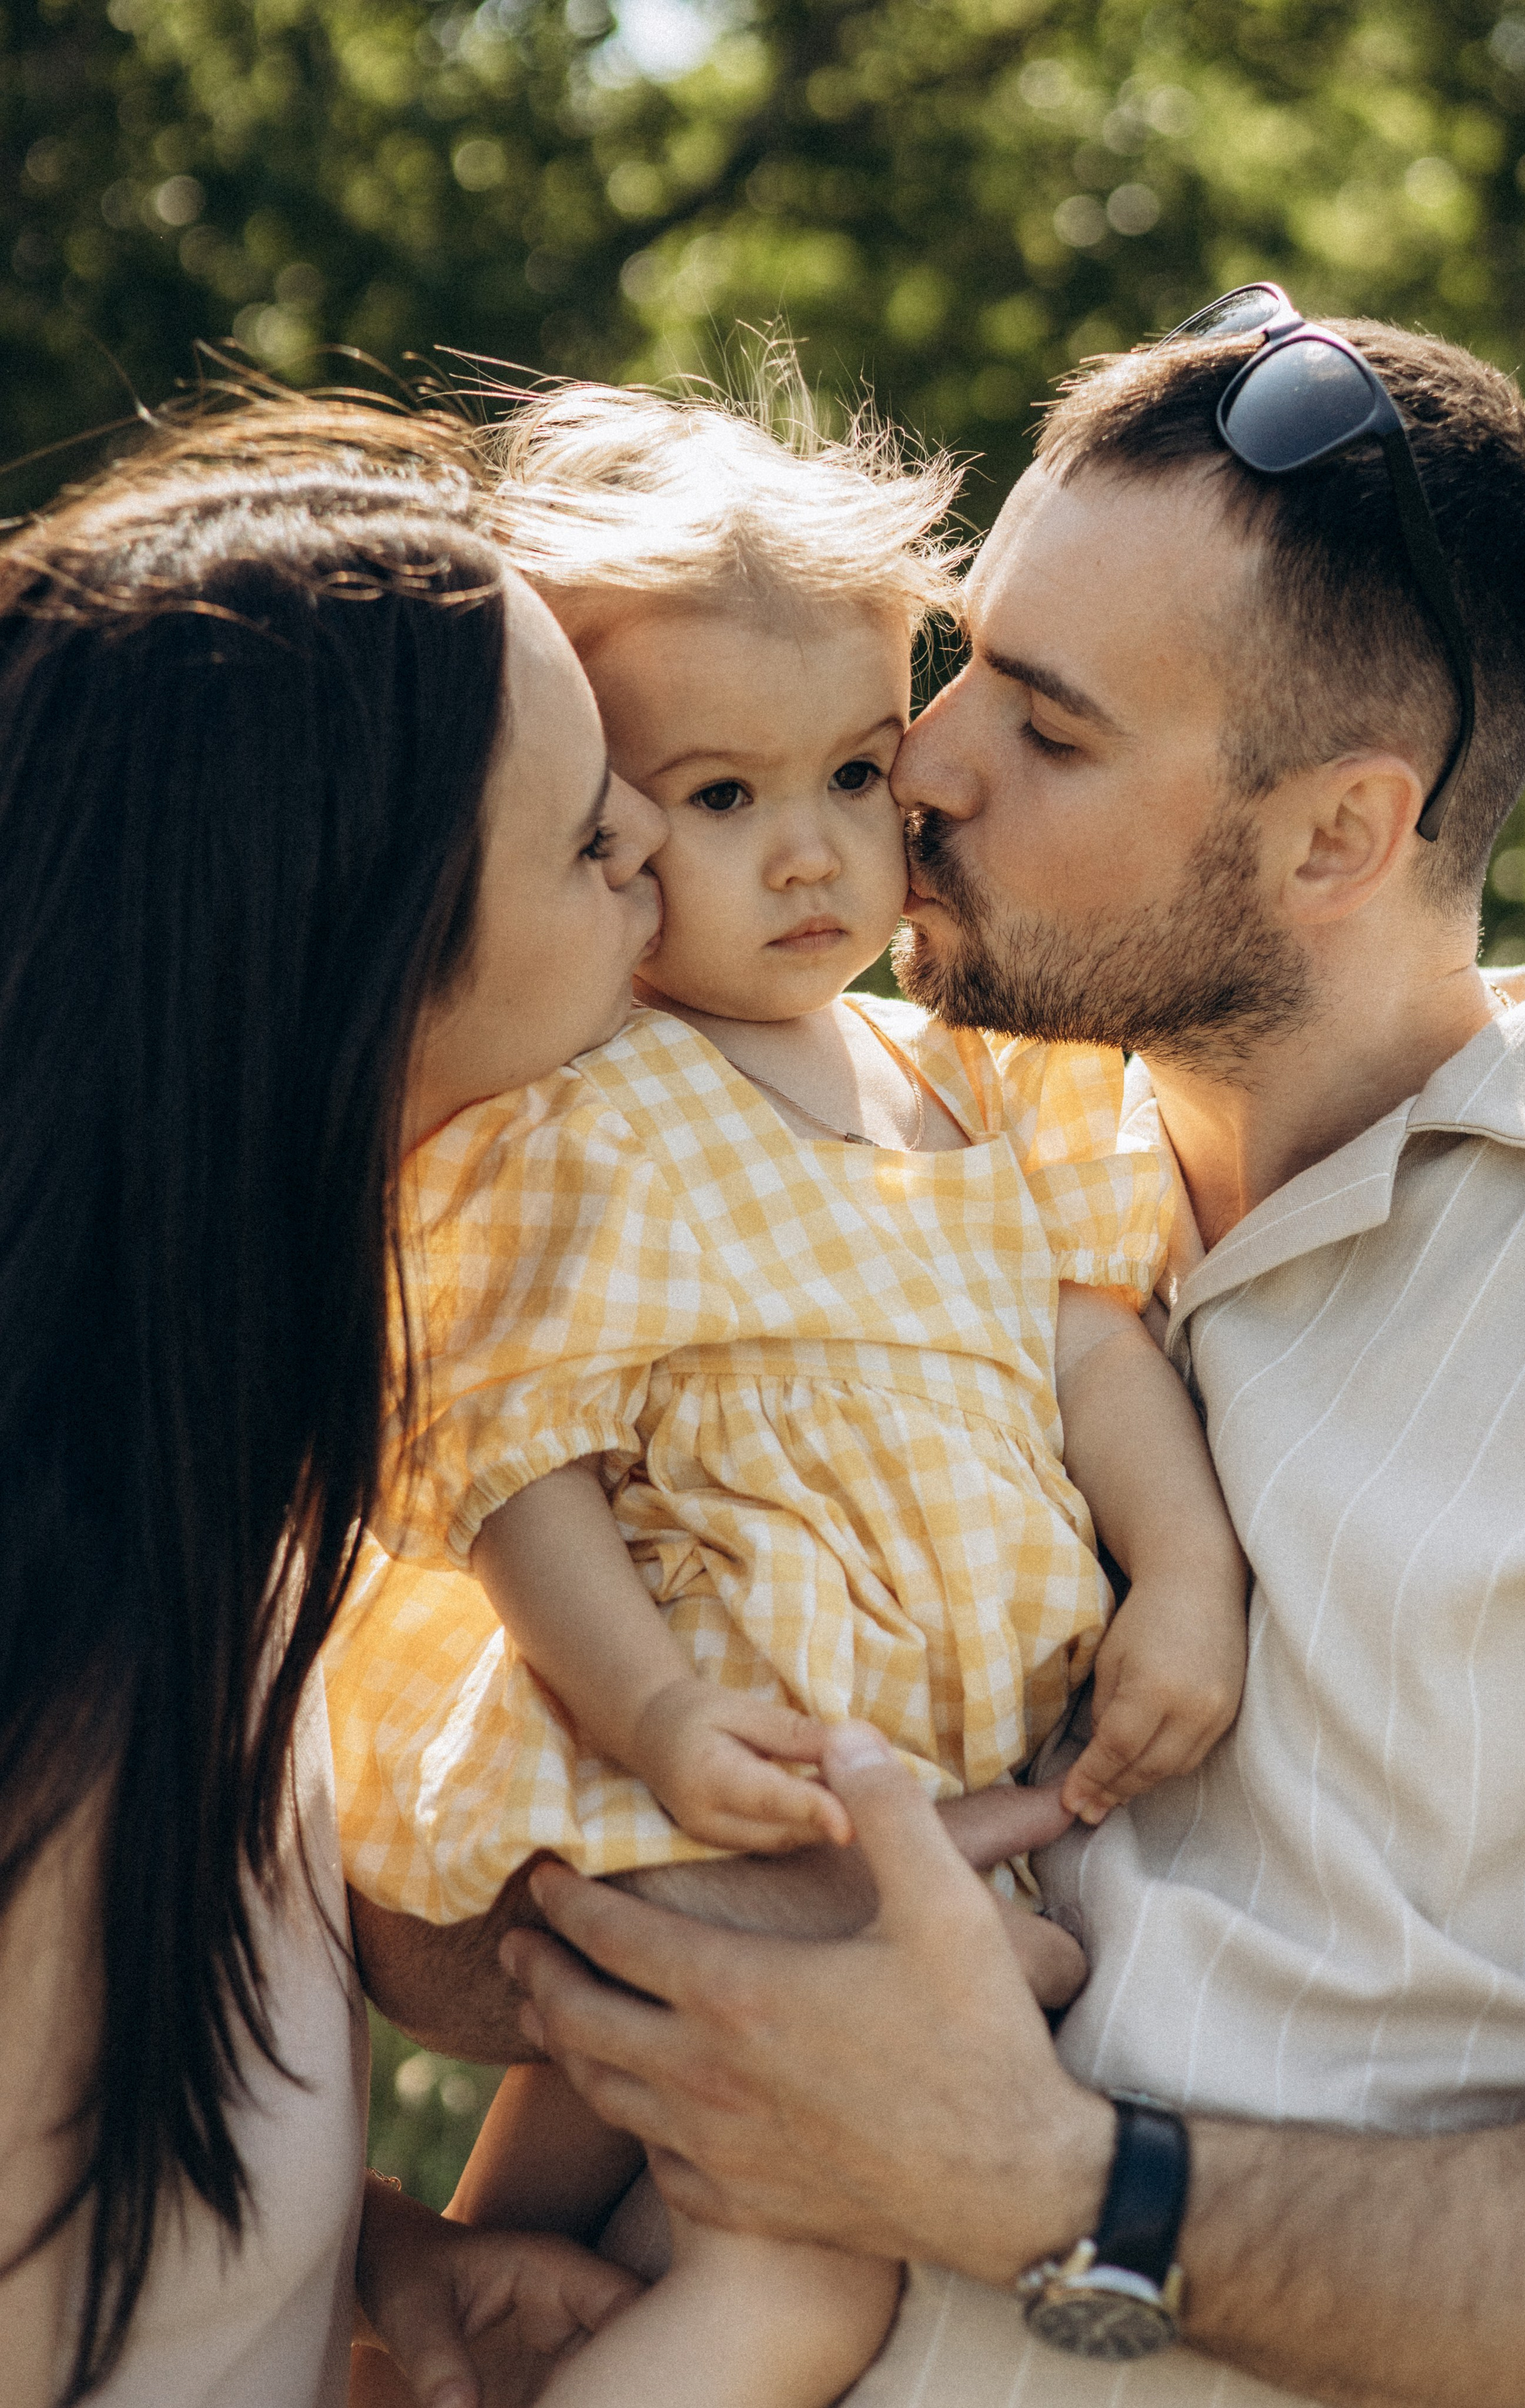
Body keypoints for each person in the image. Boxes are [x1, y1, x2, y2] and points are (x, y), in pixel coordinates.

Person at [475, 308, 1525, 2408]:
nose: (925, 761)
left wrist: (1062, 2184)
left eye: (1053, 730)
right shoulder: (828, 1139)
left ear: (1342, 837)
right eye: (963, 657)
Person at [322, 382, 1249, 2408]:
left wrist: (1184, 1564)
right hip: (694, 1750)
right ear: (601, 813)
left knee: (566, 2217)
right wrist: (650, 1709)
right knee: (807, 2266)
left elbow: (1091, 1336)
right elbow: (507, 1460)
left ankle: (461, 2314)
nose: (815, 852)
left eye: (851, 768)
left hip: (872, 1780)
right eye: (717, 800)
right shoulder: (594, 1108)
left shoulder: (977, 1076)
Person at [0, 390, 670, 2407]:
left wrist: (388, 2262)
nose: (654, 836)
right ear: (362, 979)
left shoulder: (227, 1509)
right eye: (583, 832)